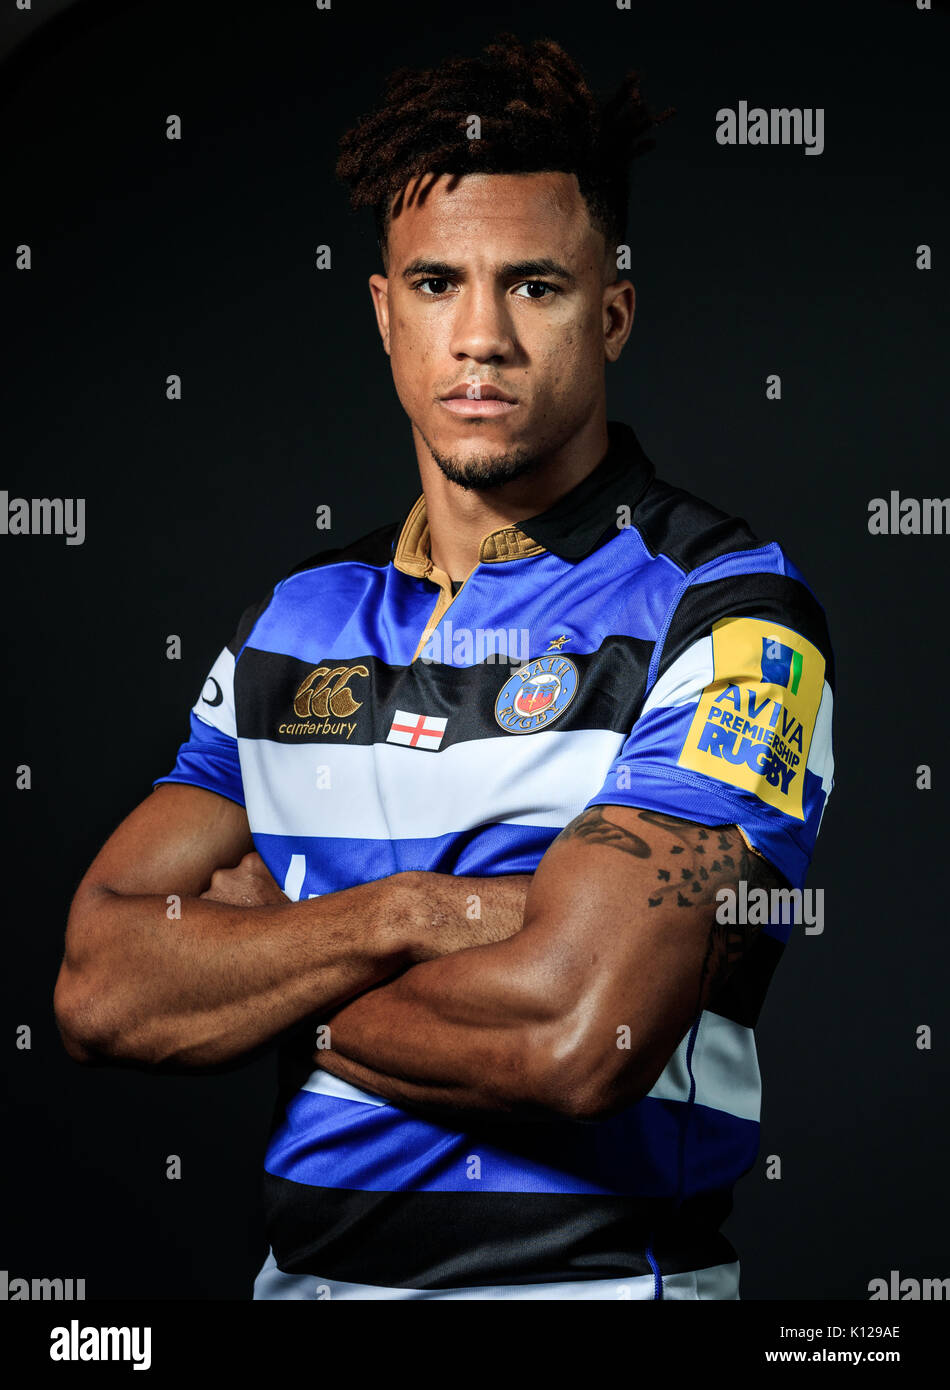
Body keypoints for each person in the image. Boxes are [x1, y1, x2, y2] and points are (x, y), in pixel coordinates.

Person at [54, 34, 835, 1300]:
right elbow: (100, 983)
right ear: (382, 312)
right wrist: (410, 914)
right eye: (434, 284)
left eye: (532, 285)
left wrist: (269, 965)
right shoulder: (293, 624)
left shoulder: (730, 612)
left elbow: (576, 1031)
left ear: (613, 311)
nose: (480, 338)